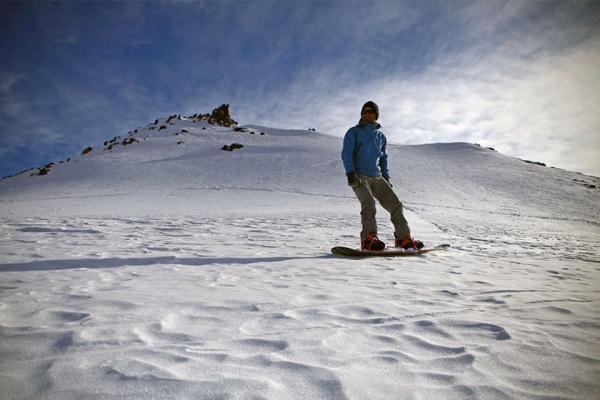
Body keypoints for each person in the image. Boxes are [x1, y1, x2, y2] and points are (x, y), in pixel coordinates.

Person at [341, 101, 423, 251]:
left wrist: (386, 178)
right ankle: (368, 239)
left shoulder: (381, 137)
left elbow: (383, 159)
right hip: (359, 175)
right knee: (369, 204)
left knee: (395, 205)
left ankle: (403, 239)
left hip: (378, 177)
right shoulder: (353, 132)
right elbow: (346, 153)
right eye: (364, 111)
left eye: (370, 111)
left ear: (376, 115)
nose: (366, 113)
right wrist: (350, 172)